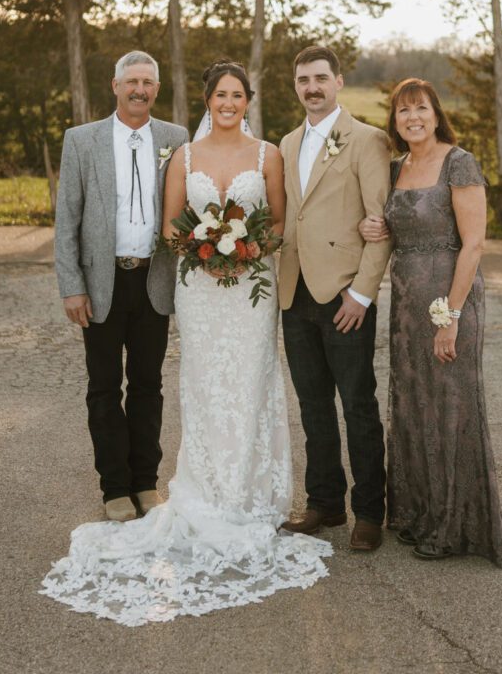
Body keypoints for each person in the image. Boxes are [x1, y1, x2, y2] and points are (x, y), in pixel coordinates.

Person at [42, 61, 330, 625]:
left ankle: (195, 490)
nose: (228, 102)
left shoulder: (227, 148)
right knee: (125, 386)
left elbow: (275, 220)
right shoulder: (134, 147)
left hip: (230, 287)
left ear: (247, 99)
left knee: (207, 385)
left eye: (236, 94)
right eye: (219, 94)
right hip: (168, 282)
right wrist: (206, 251)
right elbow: (139, 223)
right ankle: (121, 489)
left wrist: (240, 250)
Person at [359, 77, 502, 566]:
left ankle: (453, 527)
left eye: (420, 108)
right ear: (395, 121)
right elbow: (391, 229)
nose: (412, 118)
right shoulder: (398, 166)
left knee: (450, 408)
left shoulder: (458, 162)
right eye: (403, 111)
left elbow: (474, 244)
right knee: (414, 406)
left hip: (449, 298)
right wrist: (373, 225)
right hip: (405, 303)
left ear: (436, 113)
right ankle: (419, 514)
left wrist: (451, 318)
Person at [53, 50, 188, 521]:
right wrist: (72, 286)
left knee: (149, 385)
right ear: (115, 87)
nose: (139, 90)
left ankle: (146, 484)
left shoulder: (177, 138)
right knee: (105, 387)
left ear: (156, 89)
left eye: (147, 82)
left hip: (154, 280)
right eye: (131, 81)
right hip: (101, 283)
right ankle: (114, 488)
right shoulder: (81, 140)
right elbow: (66, 219)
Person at [279, 46, 392, 552]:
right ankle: (324, 502)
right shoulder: (285, 143)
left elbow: (381, 225)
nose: (312, 88)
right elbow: (290, 218)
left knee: (358, 406)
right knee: (312, 406)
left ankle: (369, 512)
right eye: (304, 80)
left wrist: (362, 295)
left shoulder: (368, 140)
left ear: (339, 82)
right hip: (294, 292)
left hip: (345, 296)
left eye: (321, 78)